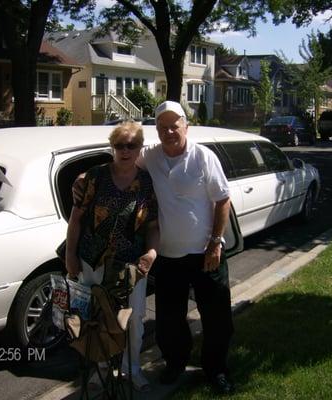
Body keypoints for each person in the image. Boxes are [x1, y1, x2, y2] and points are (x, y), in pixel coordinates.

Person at [137, 101, 235, 395]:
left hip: (206, 253)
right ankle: (175, 364)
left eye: (174, 125)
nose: (169, 131)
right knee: (169, 320)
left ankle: (216, 369)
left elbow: (222, 199)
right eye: (163, 127)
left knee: (217, 318)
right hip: (167, 256)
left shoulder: (204, 157)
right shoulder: (149, 157)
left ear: (186, 126)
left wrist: (215, 243)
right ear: (157, 130)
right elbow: (120, 160)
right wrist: (84, 178)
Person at [65, 121, 159, 393]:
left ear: (140, 148)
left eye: (132, 145)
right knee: (96, 318)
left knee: (134, 317)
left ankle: (132, 369)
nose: (125, 150)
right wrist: (70, 255)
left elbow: (152, 226)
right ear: (112, 146)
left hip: (132, 264)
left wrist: (152, 252)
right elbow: (76, 219)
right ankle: (101, 368)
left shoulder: (146, 183)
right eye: (120, 145)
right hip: (93, 261)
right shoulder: (93, 177)